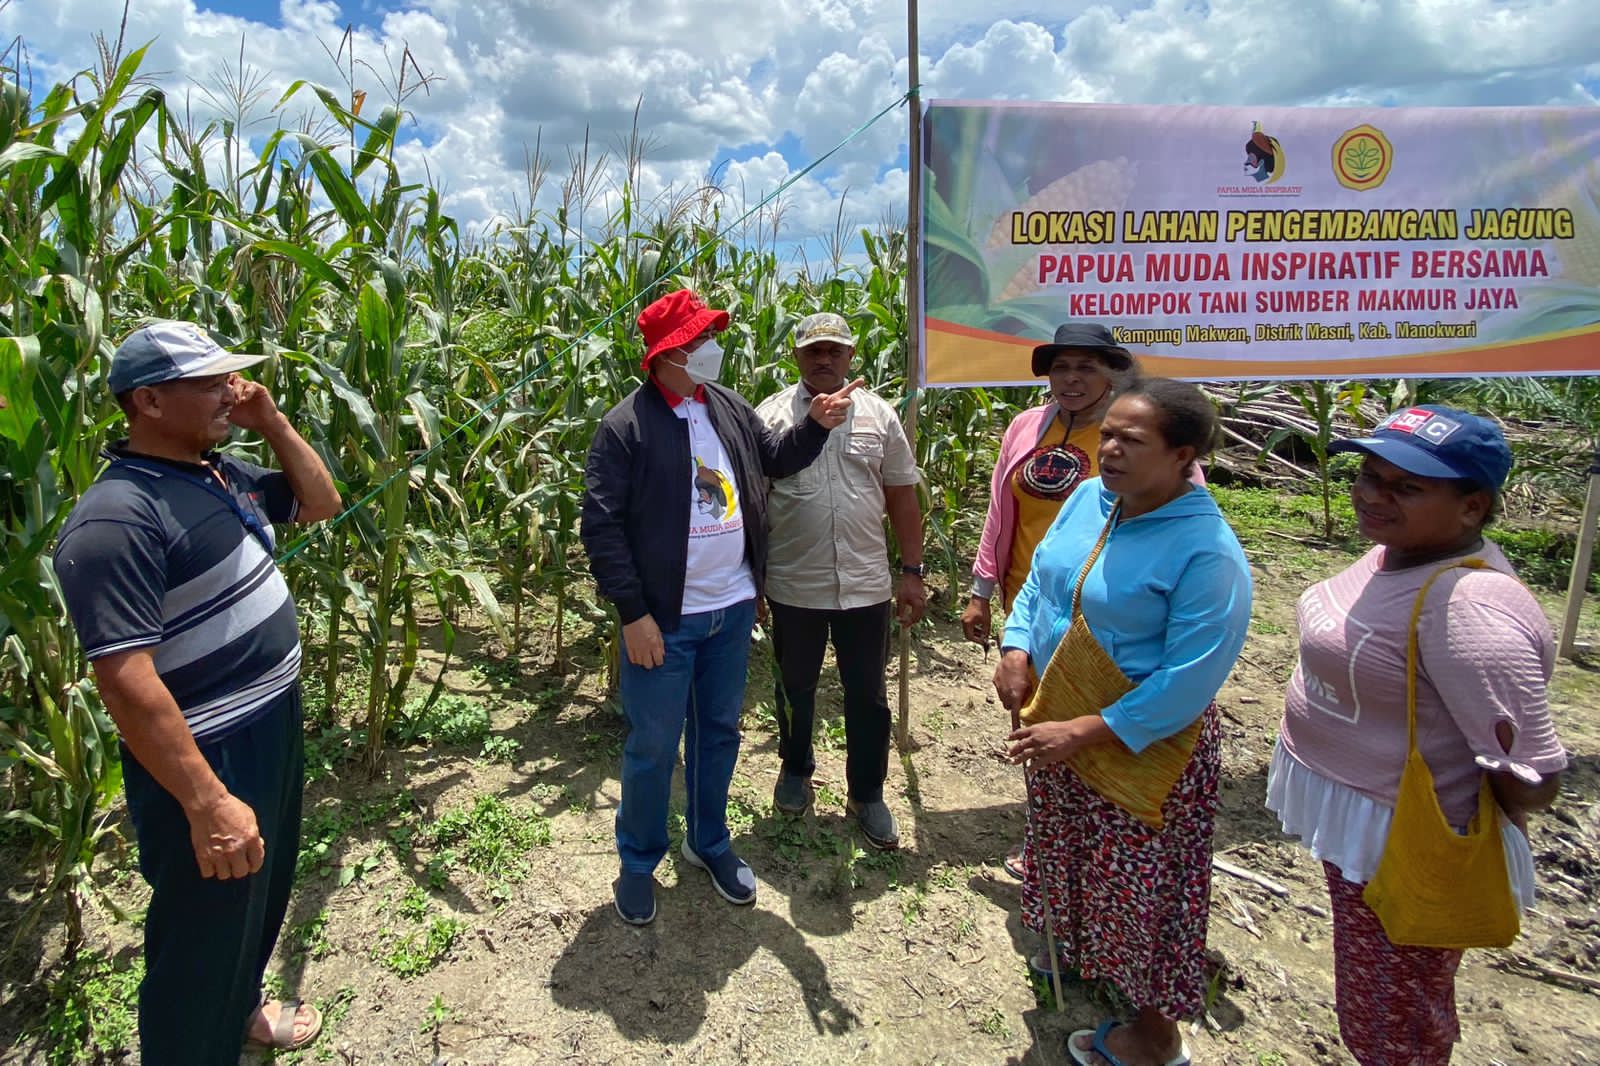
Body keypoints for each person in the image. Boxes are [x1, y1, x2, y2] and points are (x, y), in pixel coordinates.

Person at [52, 321, 342, 1063]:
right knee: (201, 934)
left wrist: (271, 421)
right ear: (148, 400)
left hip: (270, 723)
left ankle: (240, 1008)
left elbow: (320, 502)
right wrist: (207, 800)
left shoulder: (218, 473)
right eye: (209, 382)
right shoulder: (118, 517)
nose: (229, 392)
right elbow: (123, 674)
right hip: (208, 751)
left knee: (260, 893)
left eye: (229, 379)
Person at [1267, 405, 1568, 1066]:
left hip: (1403, 841)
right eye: (1369, 475)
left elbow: (1536, 777)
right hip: (1361, 827)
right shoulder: (1397, 552)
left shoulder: (1471, 613)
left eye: (1406, 487)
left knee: (1392, 1023)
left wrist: (1449, 826)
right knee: (1381, 1003)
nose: (1373, 494)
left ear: (1471, 507)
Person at [581, 289, 861, 926]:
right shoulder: (625, 426)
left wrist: (815, 425)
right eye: (701, 341)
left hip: (731, 608)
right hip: (664, 620)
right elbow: (601, 528)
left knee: (718, 733)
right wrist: (633, 614)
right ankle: (638, 860)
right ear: (670, 355)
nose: (713, 350)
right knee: (653, 744)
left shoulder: (727, 407)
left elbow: (776, 460)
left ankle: (707, 842)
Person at [996, 378, 1252, 1066]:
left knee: (1145, 893)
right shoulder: (1089, 499)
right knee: (1068, 853)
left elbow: (1188, 683)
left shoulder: (1208, 553)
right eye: (1107, 433)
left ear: (1183, 455)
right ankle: (1077, 955)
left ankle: (1154, 1035)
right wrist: (1016, 647)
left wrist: (1083, 731)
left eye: (1130, 441)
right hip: (1059, 716)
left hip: (1139, 741)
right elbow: (1044, 583)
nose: (1107, 449)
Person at [755, 311, 925, 850]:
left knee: (867, 694)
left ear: (852, 356)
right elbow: (754, 502)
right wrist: (752, 578)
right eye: (813, 351)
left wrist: (912, 572)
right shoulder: (772, 416)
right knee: (794, 686)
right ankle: (796, 770)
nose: (824, 360)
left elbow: (901, 494)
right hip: (793, 583)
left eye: (835, 351)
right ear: (796, 357)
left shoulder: (879, 415)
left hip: (865, 583)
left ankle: (867, 792)